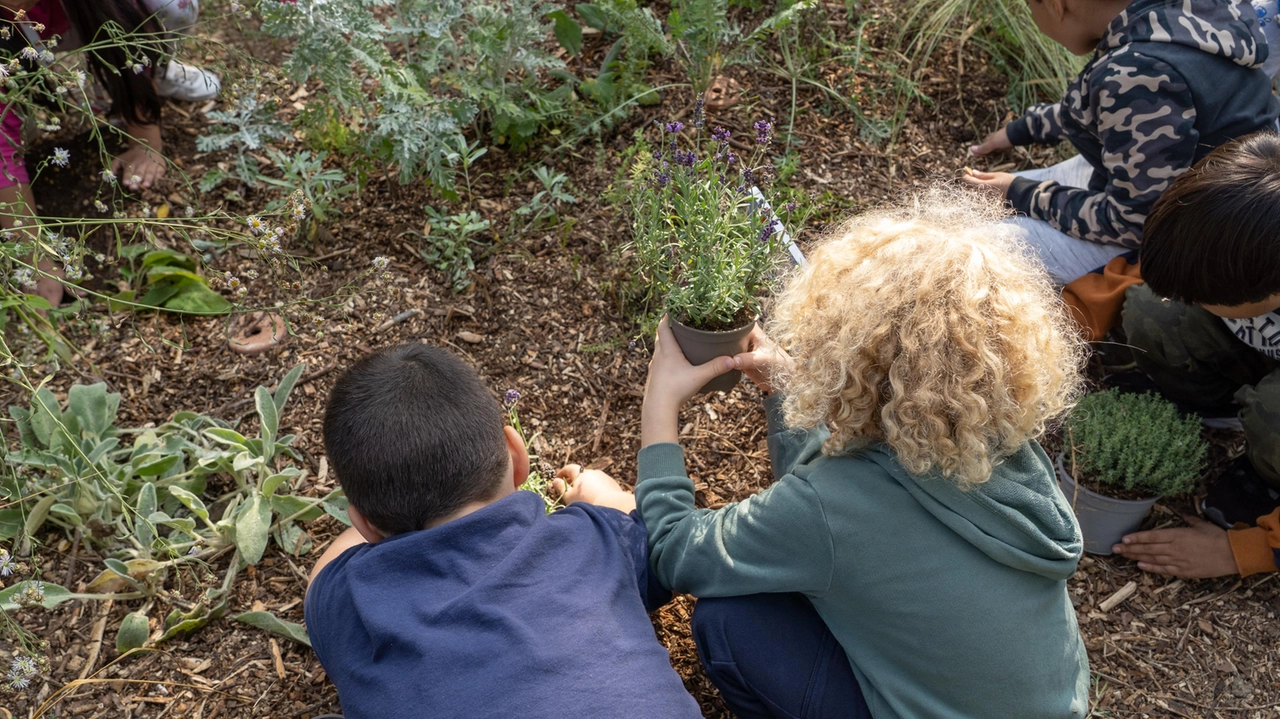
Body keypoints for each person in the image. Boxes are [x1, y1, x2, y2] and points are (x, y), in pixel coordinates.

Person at [570, 192, 1093, 718]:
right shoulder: (1004, 453)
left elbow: (678, 554)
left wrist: (657, 411)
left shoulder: (832, 507)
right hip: (1053, 704)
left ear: (845, 349)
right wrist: (783, 392)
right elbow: (853, 503)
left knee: (729, 620)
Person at [304, 343, 703, 719]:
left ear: (363, 522)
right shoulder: (593, 540)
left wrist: (383, 520)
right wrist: (603, 495)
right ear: (517, 457)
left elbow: (325, 570)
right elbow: (656, 530)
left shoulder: (350, 599)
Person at [962, 0, 1279, 286]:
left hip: (1198, 237)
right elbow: (1097, 109)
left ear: (1057, 5)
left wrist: (1020, 192)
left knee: (973, 253)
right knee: (1007, 195)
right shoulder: (1184, 14)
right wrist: (1020, 131)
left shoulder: (1135, 74)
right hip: (1228, 186)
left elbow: (1132, 221)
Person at [1112, 133, 1280, 578]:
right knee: (1154, 312)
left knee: (1273, 413)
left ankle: (1268, 478)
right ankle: (1211, 411)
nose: (1191, 299)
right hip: (1265, 339)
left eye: (1207, 295)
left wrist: (1248, 551)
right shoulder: (1258, 208)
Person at [1, 0, 221, 306]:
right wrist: (34, 255)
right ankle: (26, 106)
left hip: (79, 15)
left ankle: (152, 72)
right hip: (19, 42)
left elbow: (124, 20)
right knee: (14, 122)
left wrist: (146, 137)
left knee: (167, 7)